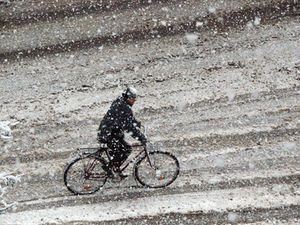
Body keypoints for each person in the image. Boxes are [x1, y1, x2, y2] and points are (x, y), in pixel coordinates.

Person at [97, 87, 147, 177]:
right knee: (126, 149)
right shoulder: (124, 107)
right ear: (128, 98)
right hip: (109, 134)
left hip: (109, 131)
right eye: (133, 99)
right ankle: (110, 168)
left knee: (120, 149)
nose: (134, 101)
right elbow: (129, 127)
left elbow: (128, 119)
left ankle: (115, 168)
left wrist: (136, 123)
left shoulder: (121, 102)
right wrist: (141, 137)